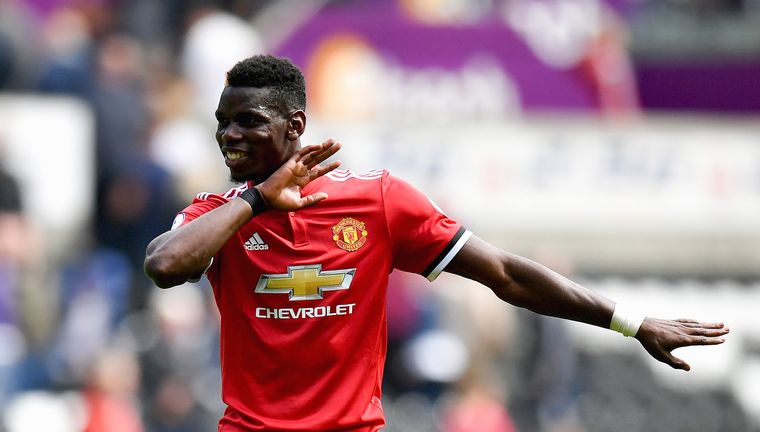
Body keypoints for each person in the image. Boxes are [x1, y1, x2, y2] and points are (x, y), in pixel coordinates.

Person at [143, 54, 729, 432]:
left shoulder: (377, 201)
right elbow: (164, 265)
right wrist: (259, 200)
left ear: (295, 126)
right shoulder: (218, 214)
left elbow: (505, 273)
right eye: (223, 121)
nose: (230, 134)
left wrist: (631, 322)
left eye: (248, 120)